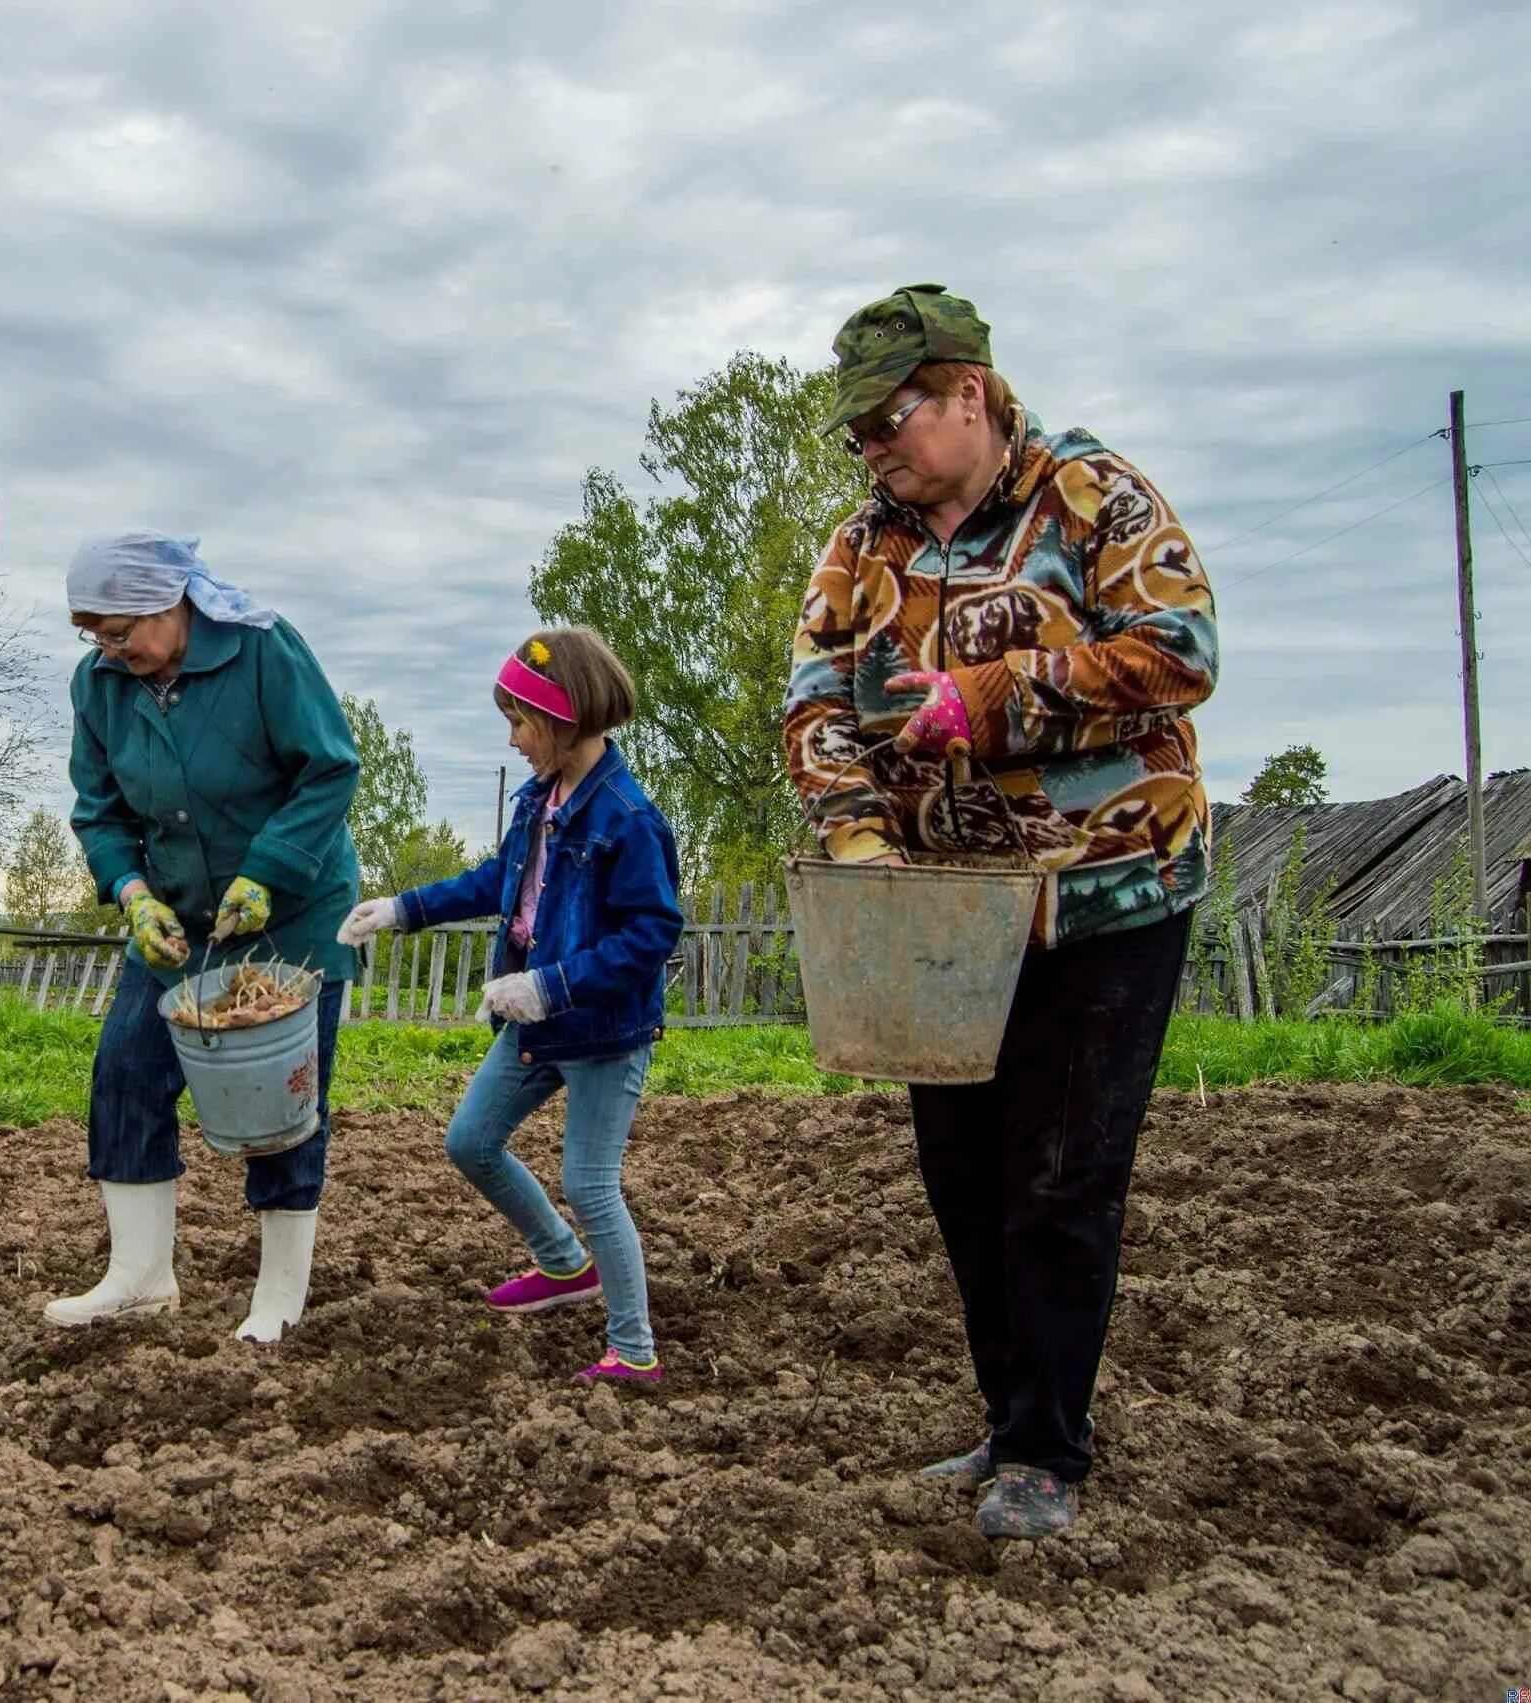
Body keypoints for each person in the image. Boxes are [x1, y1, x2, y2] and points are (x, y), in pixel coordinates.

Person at [783, 284, 1218, 1540]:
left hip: (1108, 893)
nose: (874, 451)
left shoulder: (1092, 495)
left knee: (1061, 1174)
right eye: (858, 434)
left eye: (891, 420)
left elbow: (1178, 649)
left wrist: (995, 694)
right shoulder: (863, 543)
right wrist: (858, 837)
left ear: (967, 391)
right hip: (939, 913)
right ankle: (1005, 1409)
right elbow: (813, 703)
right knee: (962, 1174)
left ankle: (1046, 1447)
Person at [338, 630, 681, 1386]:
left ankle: (634, 1349)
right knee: (471, 1142)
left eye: (521, 720)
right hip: (538, 1023)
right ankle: (564, 1265)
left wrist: (550, 984)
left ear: (565, 719)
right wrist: (403, 908)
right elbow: (499, 879)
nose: (514, 737)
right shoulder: (539, 801)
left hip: (602, 1029)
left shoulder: (627, 817)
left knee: (591, 1183)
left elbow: (654, 933)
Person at [51, 531, 360, 1344]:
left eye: (123, 632)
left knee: (281, 1096)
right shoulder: (100, 686)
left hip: (291, 910)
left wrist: (268, 870)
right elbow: (100, 808)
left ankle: (280, 1293)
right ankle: (141, 1274)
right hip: (179, 917)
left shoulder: (263, 650)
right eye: (97, 637)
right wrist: (131, 891)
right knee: (126, 1069)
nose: (112, 651)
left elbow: (330, 767)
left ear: (173, 600)